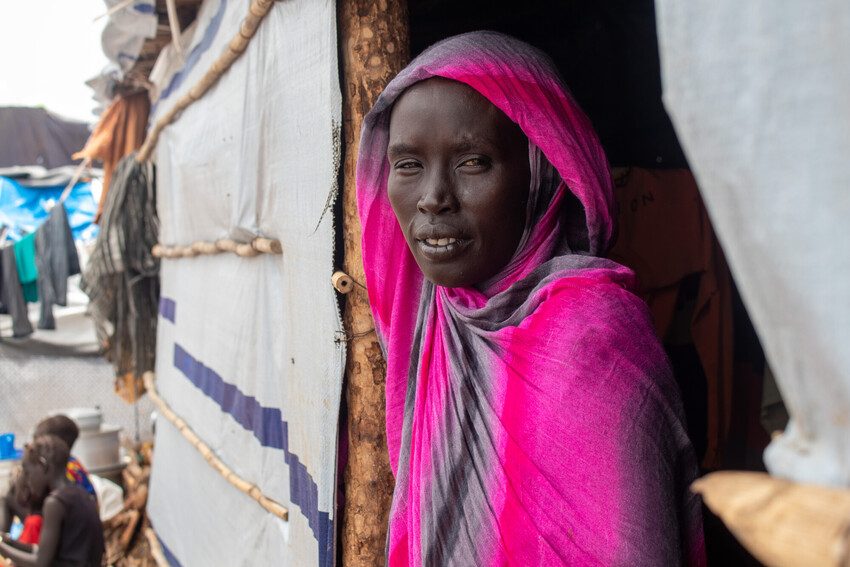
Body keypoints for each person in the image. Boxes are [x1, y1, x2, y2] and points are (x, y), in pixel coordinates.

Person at [356, 31, 706, 565]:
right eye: (408, 165)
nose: (432, 198)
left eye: (472, 162)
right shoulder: (436, 318)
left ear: (540, 173)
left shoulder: (591, 341)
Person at [0, 435, 104, 567]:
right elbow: (43, 552)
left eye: (27, 472)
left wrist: (2, 549)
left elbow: (41, 563)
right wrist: (8, 542)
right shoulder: (80, 493)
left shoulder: (55, 503)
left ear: (43, 466)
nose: (27, 480)